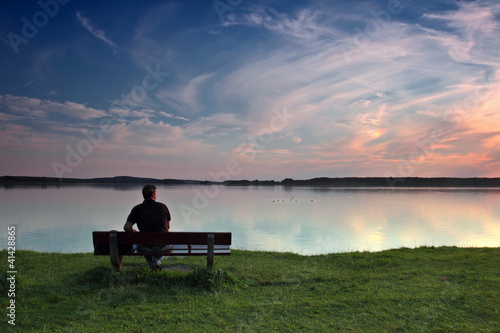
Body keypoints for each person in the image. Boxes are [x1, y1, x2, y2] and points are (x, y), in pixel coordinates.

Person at [124, 184, 171, 270]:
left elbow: (127, 227)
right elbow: (168, 227)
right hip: (163, 246)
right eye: (156, 193)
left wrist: (135, 232)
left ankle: (153, 263)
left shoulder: (136, 209)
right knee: (166, 240)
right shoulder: (163, 207)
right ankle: (156, 263)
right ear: (153, 194)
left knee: (139, 241)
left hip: (146, 247)